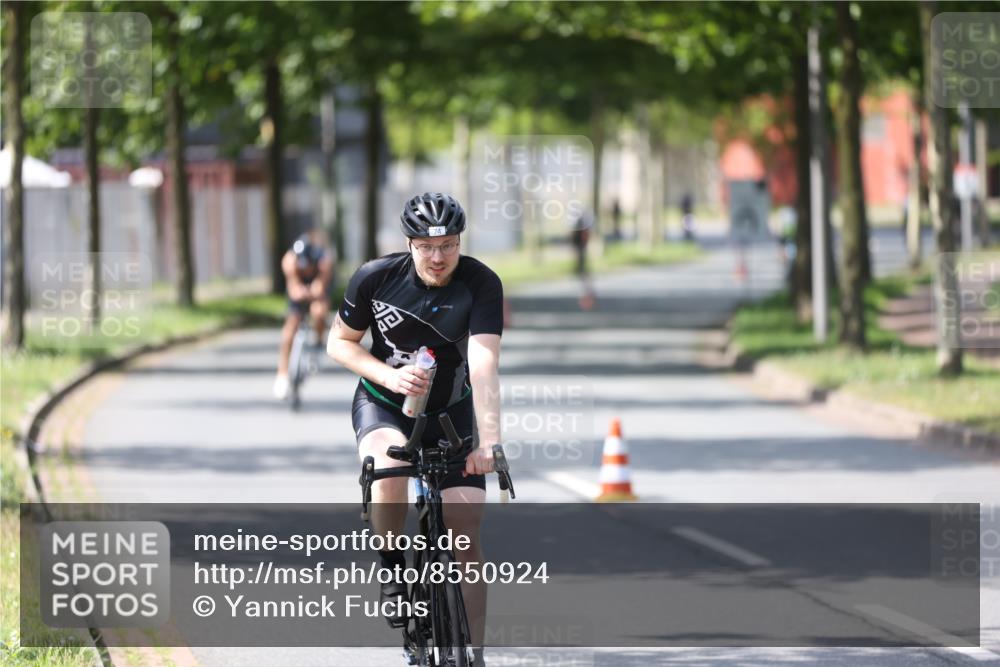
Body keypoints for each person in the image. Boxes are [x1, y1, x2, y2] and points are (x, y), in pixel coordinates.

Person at [327, 192, 503, 665]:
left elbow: (483, 361)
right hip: (385, 402)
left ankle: (475, 652)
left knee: (464, 530)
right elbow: (339, 343)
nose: (438, 256)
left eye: (448, 244)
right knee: (388, 469)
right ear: (409, 244)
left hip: (451, 410)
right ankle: (391, 565)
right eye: (427, 246)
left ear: (459, 242)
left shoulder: (480, 282)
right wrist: (388, 375)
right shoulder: (375, 278)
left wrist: (490, 441)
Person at [273, 229, 334, 400]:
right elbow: (293, 289)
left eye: (307, 264)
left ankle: (317, 344)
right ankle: (282, 374)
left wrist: (315, 290)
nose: (305, 268)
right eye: (301, 264)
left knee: (319, 311)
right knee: (290, 328)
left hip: (317, 287)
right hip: (299, 288)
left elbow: (320, 287)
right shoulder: (289, 261)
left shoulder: (324, 261)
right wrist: (299, 290)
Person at [570, 209, 596, 310]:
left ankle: (581, 272)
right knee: (581, 261)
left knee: (582, 262)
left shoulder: (580, 224)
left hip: (580, 246)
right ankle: (581, 271)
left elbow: (582, 235)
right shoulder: (581, 224)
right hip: (580, 246)